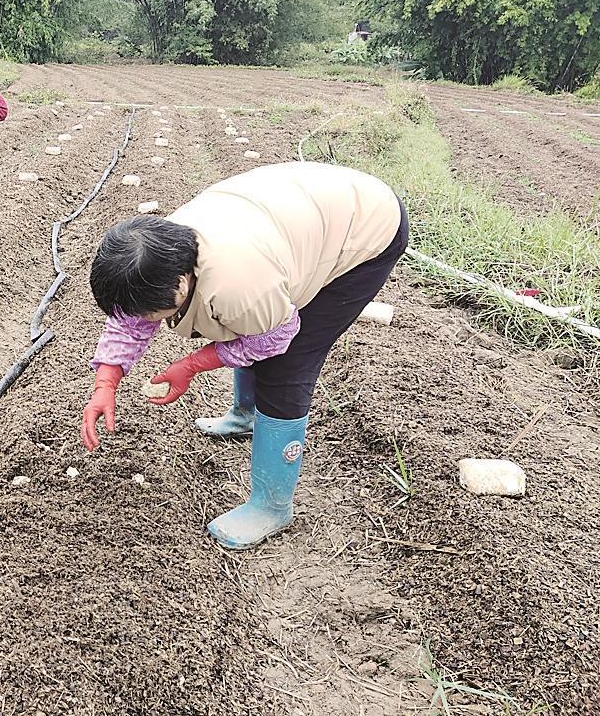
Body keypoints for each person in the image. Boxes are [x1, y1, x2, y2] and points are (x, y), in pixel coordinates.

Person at [81, 162, 408, 551]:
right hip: (301, 212)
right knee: (251, 322)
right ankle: (247, 416)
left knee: (288, 364)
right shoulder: (155, 255)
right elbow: (130, 322)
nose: (141, 321)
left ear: (181, 283)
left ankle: (271, 507)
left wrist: (191, 365)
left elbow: (272, 338)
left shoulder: (238, 285)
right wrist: (106, 384)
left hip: (365, 229)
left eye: (149, 311)